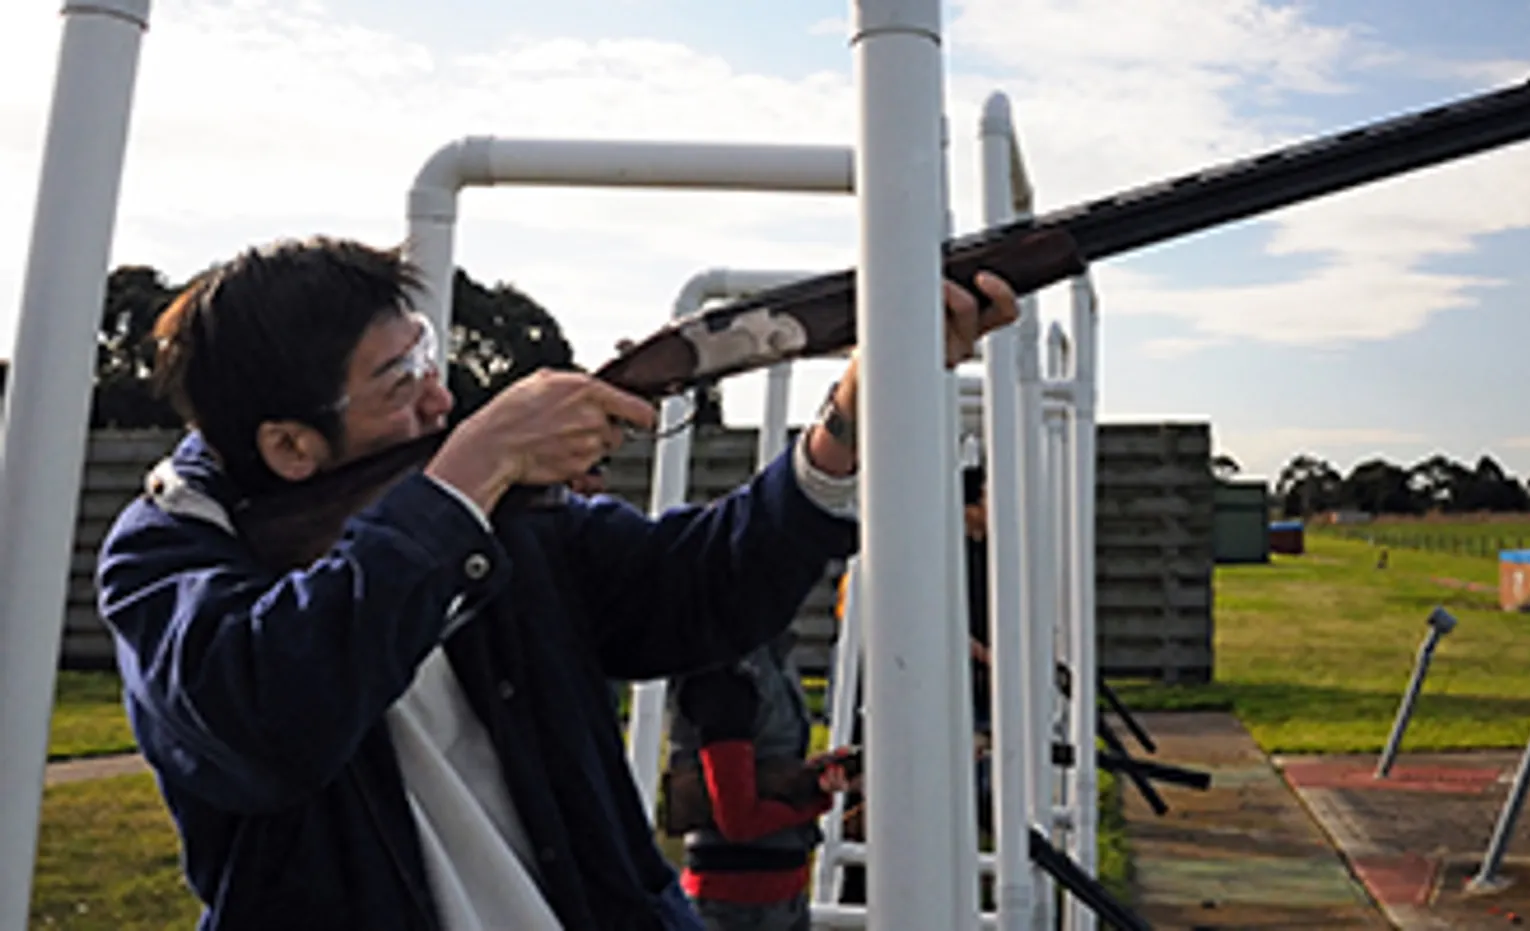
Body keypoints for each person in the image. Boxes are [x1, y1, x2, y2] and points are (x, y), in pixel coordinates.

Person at [93, 235, 1018, 931]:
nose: (441, 399)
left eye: (427, 357)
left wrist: (848, 421)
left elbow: (693, 590)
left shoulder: (497, 509)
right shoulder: (166, 556)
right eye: (399, 381)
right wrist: (466, 478)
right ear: (291, 448)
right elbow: (265, 719)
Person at [667, 636, 856, 930]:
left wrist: (812, 776)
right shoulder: (724, 674)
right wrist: (815, 795)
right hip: (736, 905)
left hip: (778, 895)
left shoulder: (769, 659)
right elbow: (738, 820)